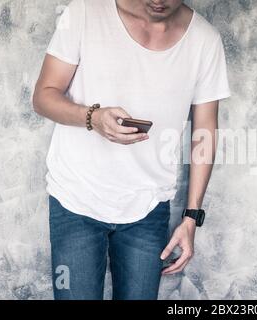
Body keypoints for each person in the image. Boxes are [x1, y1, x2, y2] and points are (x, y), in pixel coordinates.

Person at [32, 0, 231, 300]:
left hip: (147, 210)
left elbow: (204, 132)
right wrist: (93, 118)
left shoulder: (205, 41)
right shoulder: (85, 11)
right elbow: (43, 96)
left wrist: (191, 217)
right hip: (75, 200)